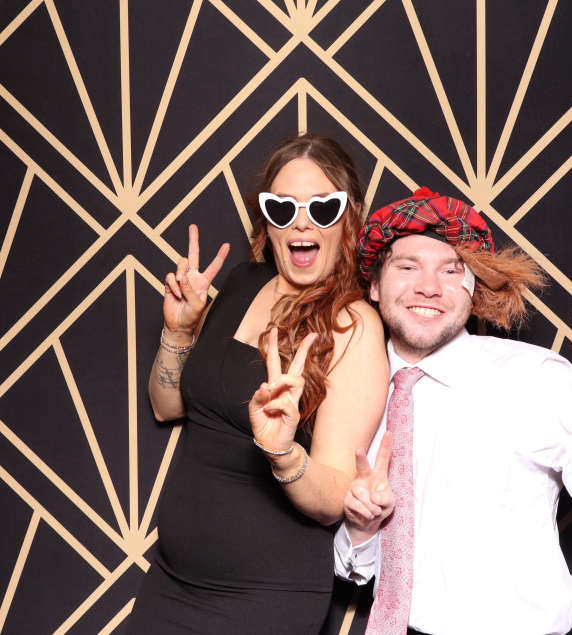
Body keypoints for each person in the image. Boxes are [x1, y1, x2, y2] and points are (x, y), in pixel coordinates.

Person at [335, 187, 572, 635]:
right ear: (374, 285)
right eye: (407, 267)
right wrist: (360, 530)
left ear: (473, 289)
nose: (429, 286)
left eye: (451, 270)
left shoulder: (534, 380)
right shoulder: (353, 391)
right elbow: (356, 571)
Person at [127, 133, 389, 634]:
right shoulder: (242, 282)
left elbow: (336, 493)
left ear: (350, 218)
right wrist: (179, 331)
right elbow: (166, 406)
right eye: (283, 208)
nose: (302, 223)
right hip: (171, 583)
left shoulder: (353, 325)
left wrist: (283, 454)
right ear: (268, 222)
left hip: (264, 599)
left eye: (323, 208)